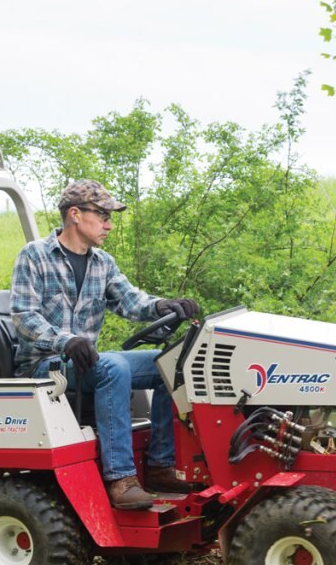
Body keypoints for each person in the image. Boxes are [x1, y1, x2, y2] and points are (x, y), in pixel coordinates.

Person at [10, 180, 200, 510]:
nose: (109, 225)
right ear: (75, 214)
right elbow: (24, 316)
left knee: (173, 362)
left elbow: (132, 301)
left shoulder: (102, 263)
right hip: (44, 366)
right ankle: (121, 479)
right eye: (102, 216)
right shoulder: (34, 256)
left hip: (84, 362)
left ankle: (160, 465)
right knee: (113, 367)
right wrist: (65, 341)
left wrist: (163, 305)